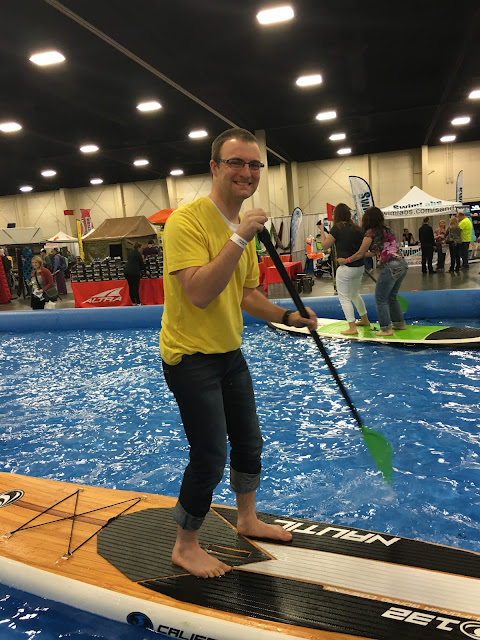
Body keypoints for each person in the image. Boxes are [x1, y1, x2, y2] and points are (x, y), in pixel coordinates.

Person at [160, 127, 317, 578]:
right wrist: (240, 237)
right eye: (235, 162)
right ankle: (185, 545)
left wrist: (287, 317)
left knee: (249, 444)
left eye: (254, 164)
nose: (246, 172)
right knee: (210, 455)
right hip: (189, 357)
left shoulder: (242, 227)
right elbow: (199, 294)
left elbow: (246, 294)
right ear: (214, 167)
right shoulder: (186, 221)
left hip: (230, 352)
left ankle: (247, 518)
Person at [338, 206, 407, 336]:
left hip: (389, 266)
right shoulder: (387, 230)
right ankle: (399, 323)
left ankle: (386, 329)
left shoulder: (370, 232)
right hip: (402, 264)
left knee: (380, 298)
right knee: (391, 296)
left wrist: (346, 260)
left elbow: (360, 253)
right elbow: (376, 251)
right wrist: (362, 254)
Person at [319, 203, 370, 335]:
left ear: (336, 215)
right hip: (359, 266)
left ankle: (352, 328)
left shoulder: (337, 228)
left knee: (344, 298)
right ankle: (364, 319)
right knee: (354, 294)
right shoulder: (358, 229)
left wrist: (321, 230)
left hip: (346, 267)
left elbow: (324, 245)